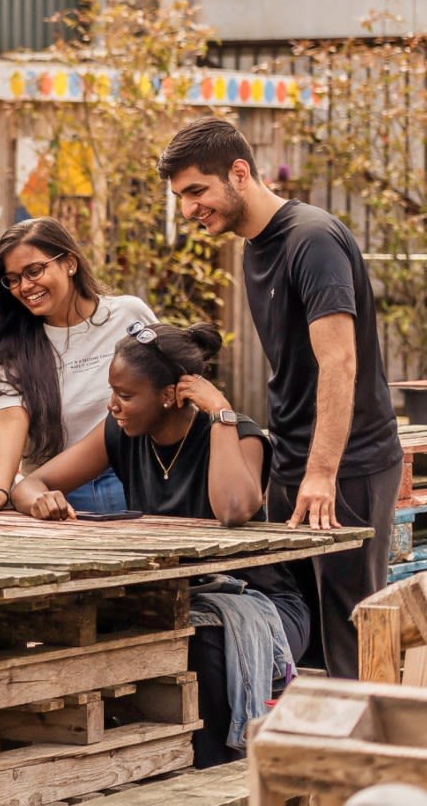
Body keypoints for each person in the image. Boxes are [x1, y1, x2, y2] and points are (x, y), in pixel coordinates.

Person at [158, 118, 402, 679]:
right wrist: (284, 468)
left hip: (349, 465)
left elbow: (339, 362)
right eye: (180, 198)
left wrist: (322, 473)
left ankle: (370, 761)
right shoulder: (254, 245)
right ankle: (314, 754)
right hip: (295, 461)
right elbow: (292, 369)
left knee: (353, 632)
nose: (190, 208)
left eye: (197, 191)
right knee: (303, 630)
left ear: (239, 173)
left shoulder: (310, 239)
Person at [10, 321, 311, 767]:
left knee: (202, 644)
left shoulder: (237, 435)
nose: (113, 405)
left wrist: (222, 413)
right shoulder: (120, 434)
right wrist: (42, 500)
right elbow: (31, 482)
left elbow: (233, 508)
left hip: (260, 603)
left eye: (126, 395)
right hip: (171, 598)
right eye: (112, 391)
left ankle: (213, 777)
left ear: (170, 395)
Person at [0, 218, 157, 514]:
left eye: (34, 271)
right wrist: (0, 488)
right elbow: (10, 417)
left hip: (139, 477)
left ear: (70, 263)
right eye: (13, 279)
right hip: (57, 493)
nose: (25, 286)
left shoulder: (127, 315)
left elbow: (166, 383)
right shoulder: (10, 346)